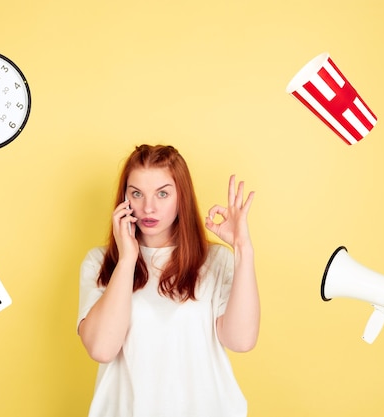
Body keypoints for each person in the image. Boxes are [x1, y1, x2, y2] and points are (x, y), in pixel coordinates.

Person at [77, 144, 260, 417]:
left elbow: (241, 341)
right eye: (136, 193)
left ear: (181, 197)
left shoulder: (215, 260)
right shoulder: (100, 262)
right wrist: (127, 259)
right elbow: (103, 349)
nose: (148, 207)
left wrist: (243, 249)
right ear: (124, 198)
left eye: (162, 193)